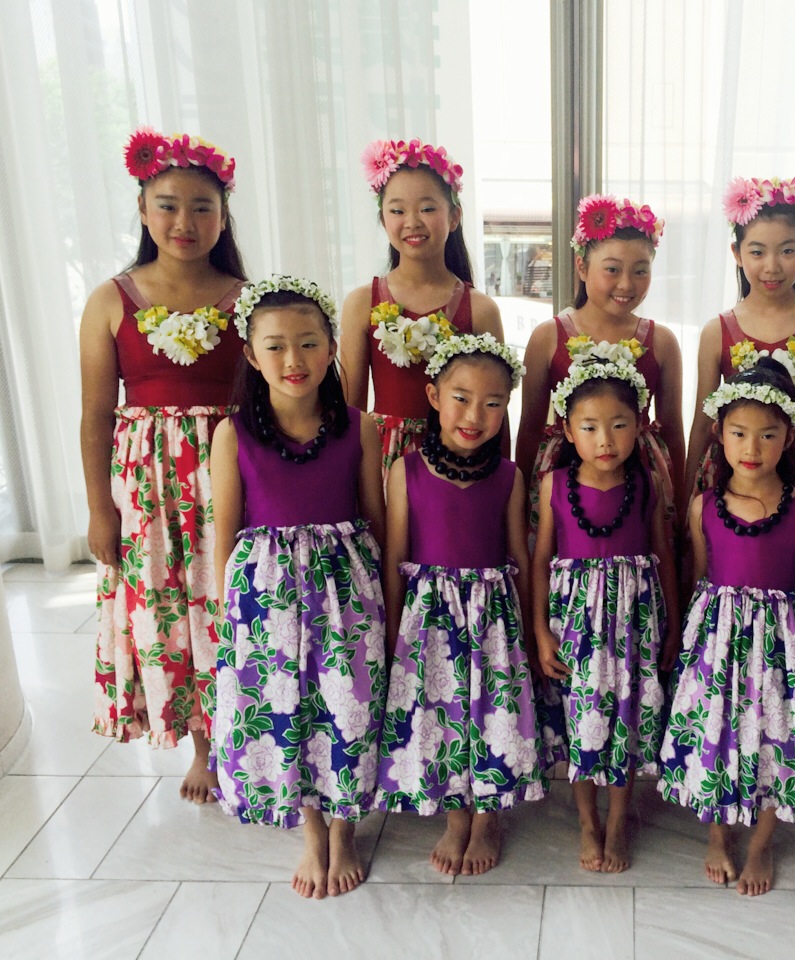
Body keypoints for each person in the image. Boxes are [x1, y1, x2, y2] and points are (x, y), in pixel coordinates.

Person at [80, 127, 247, 802]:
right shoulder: (111, 299)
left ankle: (245, 733)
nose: (185, 221)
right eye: (169, 205)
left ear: (223, 216)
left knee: (226, 604)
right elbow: (95, 413)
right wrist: (100, 509)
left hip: (228, 476)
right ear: (143, 210)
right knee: (171, 611)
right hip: (148, 491)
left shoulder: (245, 297)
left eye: (203, 206)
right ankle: (202, 747)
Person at [210, 275, 386, 900]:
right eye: (276, 346)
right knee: (290, 712)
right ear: (252, 355)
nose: (294, 359)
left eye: (309, 343)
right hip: (268, 600)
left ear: (332, 347)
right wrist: (229, 620)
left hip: (346, 594)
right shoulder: (232, 434)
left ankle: (345, 829)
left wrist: (384, 604)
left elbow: (374, 517)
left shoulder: (360, 427)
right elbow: (225, 533)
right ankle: (312, 833)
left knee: (346, 708)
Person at [374, 333, 544, 877]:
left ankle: (488, 817)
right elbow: (396, 555)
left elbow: (519, 555)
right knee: (442, 717)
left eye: (493, 403)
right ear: (433, 396)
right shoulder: (405, 470)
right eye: (462, 398)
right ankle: (455, 816)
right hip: (430, 620)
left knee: (493, 715)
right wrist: (394, 632)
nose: (475, 415)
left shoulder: (510, 476)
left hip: (494, 620)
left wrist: (527, 630)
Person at [659, 358, 795, 897]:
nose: (751, 447)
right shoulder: (703, 507)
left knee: (776, 740)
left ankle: (761, 844)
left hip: (782, 649)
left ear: (790, 436)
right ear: (719, 433)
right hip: (719, 644)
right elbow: (700, 577)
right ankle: (718, 834)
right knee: (719, 733)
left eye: (767, 435)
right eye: (738, 433)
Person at [532, 347, 681, 872]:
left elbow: (663, 556)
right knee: (582, 723)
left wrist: (672, 629)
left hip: (634, 623)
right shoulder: (553, 485)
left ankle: (618, 820)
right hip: (575, 625)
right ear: (567, 431)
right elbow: (541, 561)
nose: (605, 440)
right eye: (590, 427)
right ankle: (586, 822)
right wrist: (540, 631)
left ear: (639, 427)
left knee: (626, 720)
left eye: (619, 426)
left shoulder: (647, 484)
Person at [516, 195, 684, 539]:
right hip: (564, 473)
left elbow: (673, 433)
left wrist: (678, 504)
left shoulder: (663, 342)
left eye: (640, 271)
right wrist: (519, 506)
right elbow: (530, 428)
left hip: (640, 479)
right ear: (582, 266)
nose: (626, 284)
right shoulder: (548, 337)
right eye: (612, 269)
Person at [686, 176, 795, 525]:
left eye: (787, 250)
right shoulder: (716, 331)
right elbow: (702, 427)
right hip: (736, 477)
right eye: (757, 252)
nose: (772, 266)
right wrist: (686, 501)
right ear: (737, 253)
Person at [341, 138, 507, 475]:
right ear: (383, 219)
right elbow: (349, 410)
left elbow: (496, 409)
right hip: (383, 461)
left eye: (428, 209)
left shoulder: (480, 309)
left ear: (454, 216)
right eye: (397, 210)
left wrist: (501, 482)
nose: (412, 221)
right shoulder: (361, 303)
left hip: (459, 461)